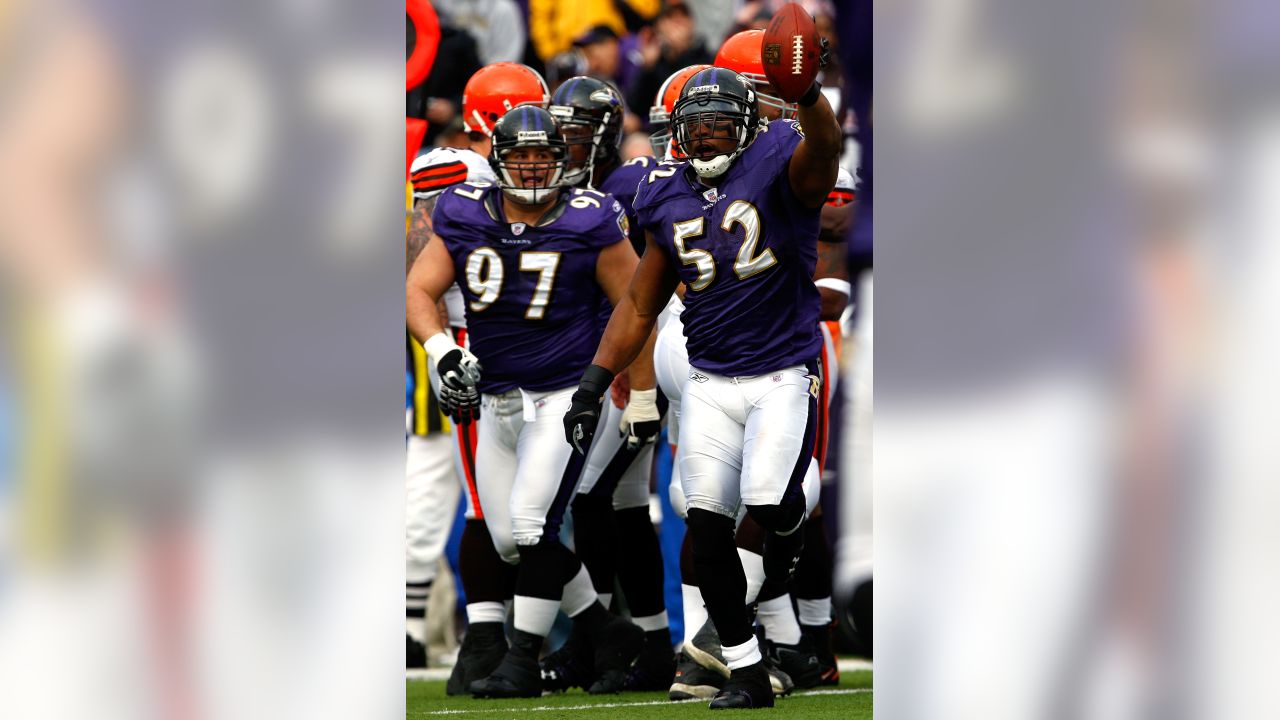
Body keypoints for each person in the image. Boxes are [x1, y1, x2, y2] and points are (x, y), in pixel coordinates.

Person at [563, 61, 842, 709]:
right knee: (706, 525)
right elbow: (638, 303)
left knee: (771, 505)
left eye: (722, 123)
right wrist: (594, 382)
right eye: (697, 124)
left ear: (748, 127)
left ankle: (792, 543)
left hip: (780, 371)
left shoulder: (781, 158)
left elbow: (823, 152)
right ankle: (742, 666)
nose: (709, 135)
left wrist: (807, 96)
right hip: (712, 379)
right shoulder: (666, 193)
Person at [407, 106, 659, 697]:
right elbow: (419, 287)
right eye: (518, 158)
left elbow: (635, 306)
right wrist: (442, 348)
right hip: (497, 399)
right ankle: (607, 631)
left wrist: (641, 389)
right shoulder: (464, 210)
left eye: (541, 156)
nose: (529, 169)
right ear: (497, 161)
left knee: (529, 524)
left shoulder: (589, 218)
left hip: (562, 395)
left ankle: (521, 660)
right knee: (506, 540)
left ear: (562, 159)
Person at [413, 62, 553, 695]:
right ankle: (492, 639)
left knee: (533, 504)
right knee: (493, 507)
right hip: (476, 340)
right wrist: (443, 348)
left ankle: (501, 637)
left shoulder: (535, 170)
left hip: (544, 342)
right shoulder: (457, 171)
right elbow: (419, 263)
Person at [538, 76, 675, 693]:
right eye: (558, 131)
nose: (564, 145)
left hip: (650, 351)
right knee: (618, 504)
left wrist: (637, 374)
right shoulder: (553, 193)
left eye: (575, 132)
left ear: (605, 134)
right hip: (608, 355)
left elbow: (644, 292)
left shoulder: (628, 183)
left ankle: (611, 642)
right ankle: (644, 642)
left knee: (590, 496)